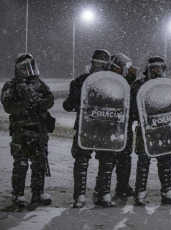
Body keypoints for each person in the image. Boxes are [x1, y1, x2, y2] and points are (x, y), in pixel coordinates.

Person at [63, 49, 116, 208]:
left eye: (101, 65)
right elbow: (69, 105)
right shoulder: (82, 82)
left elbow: (69, 105)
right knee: (86, 161)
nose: (99, 68)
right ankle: (89, 194)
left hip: (98, 129)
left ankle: (95, 194)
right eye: (97, 65)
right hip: (89, 128)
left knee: (97, 162)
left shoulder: (112, 82)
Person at [1, 53, 54, 207]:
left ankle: (37, 194)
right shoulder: (11, 85)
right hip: (21, 131)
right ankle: (18, 196)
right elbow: (8, 106)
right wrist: (25, 103)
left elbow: (50, 99)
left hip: (38, 130)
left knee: (39, 164)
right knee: (21, 164)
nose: (30, 71)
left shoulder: (40, 84)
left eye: (32, 67)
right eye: (26, 68)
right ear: (19, 70)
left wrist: (39, 102)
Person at [131, 56, 171, 205]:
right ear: (148, 69)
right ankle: (140, 192)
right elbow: (132, 108)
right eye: (155, 68)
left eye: (160, 68)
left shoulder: (167, 85)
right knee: (144, 161)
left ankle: (167, 190)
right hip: (145, 129)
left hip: (163, 128)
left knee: (165, 160)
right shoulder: (139, 85)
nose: (158, 71)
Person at [108, 53, 137, 200]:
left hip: (125, 124)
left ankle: (122, 187)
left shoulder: (122, 79)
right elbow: (120, 91)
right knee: (110, 158)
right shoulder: (109, 79)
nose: (123, 70)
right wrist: (131, 77)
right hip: (112, 125)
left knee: (125, 158)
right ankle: (103, 187)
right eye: (121, 68)